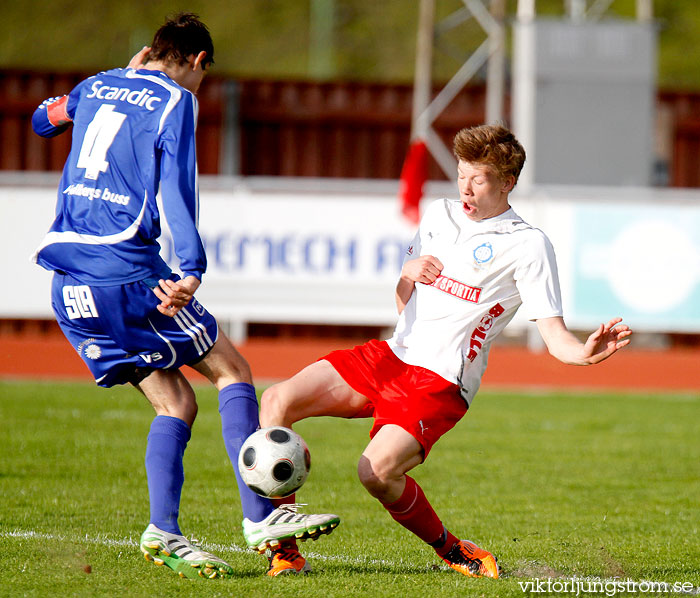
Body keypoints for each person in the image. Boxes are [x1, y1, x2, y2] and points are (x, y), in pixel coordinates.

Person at [30, 12, 338, 580]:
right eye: (204, 73)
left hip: (68, 284)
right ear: (197, 62)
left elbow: (42, 121)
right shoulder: (177, 101)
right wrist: (191, 268)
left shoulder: (96, 85)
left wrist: (115, 79)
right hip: (126, 273)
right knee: (232, 369)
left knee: (176, 404)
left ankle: (162, 532)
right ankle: (259, 519)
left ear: (150, 51)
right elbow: (178, 191)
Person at [259, 124, 633, 579]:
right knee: (276, 400)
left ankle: (453, 549)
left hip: (438, 381)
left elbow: (554, 336)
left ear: (507, 182)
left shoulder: (528, 244)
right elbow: (403, 302)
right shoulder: (438, 214)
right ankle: (285, 547)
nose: (466, 189)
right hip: (392, 356)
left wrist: (586, 353)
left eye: (478, 179)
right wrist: (406, 271)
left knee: (375, 473)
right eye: (461, 176)